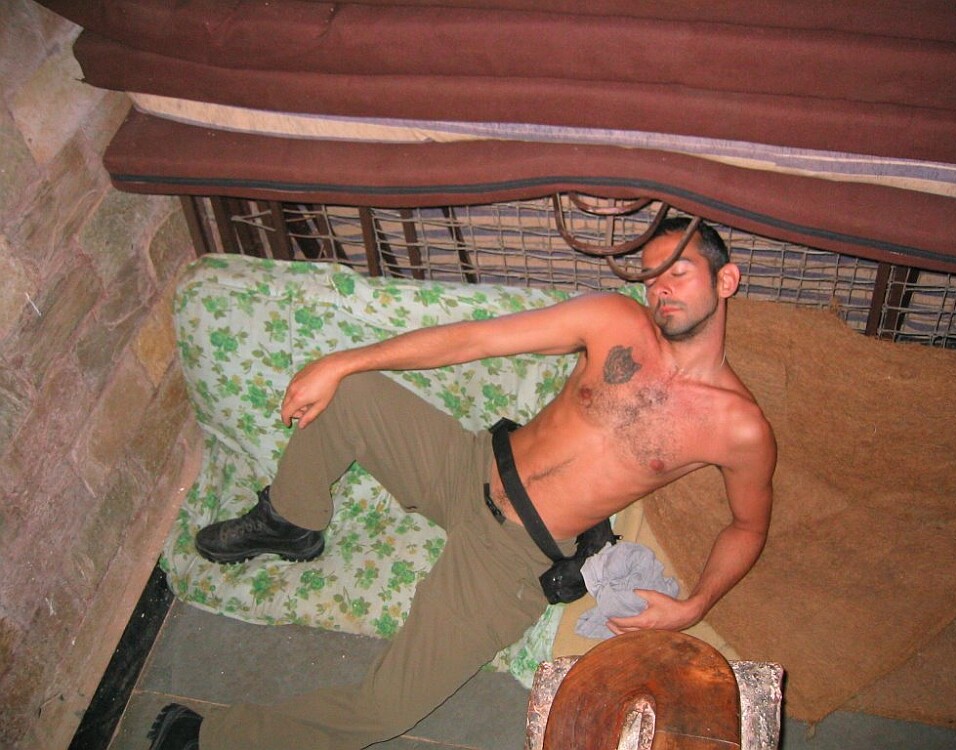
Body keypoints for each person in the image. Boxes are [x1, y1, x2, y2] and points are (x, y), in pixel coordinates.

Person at [147, 217, 776, 750]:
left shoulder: (738, 427)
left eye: (678, 272)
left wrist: (695, 605)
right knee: (352, 394)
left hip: (512, 560)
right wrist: (343, 362)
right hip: (470, 464)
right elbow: (475, 339)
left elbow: (748, 526)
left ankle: (208, 738)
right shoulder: (615, 319)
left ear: (726, 280)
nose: (659, 289)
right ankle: (292, 520)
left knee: (386, 709)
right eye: (651, 275)